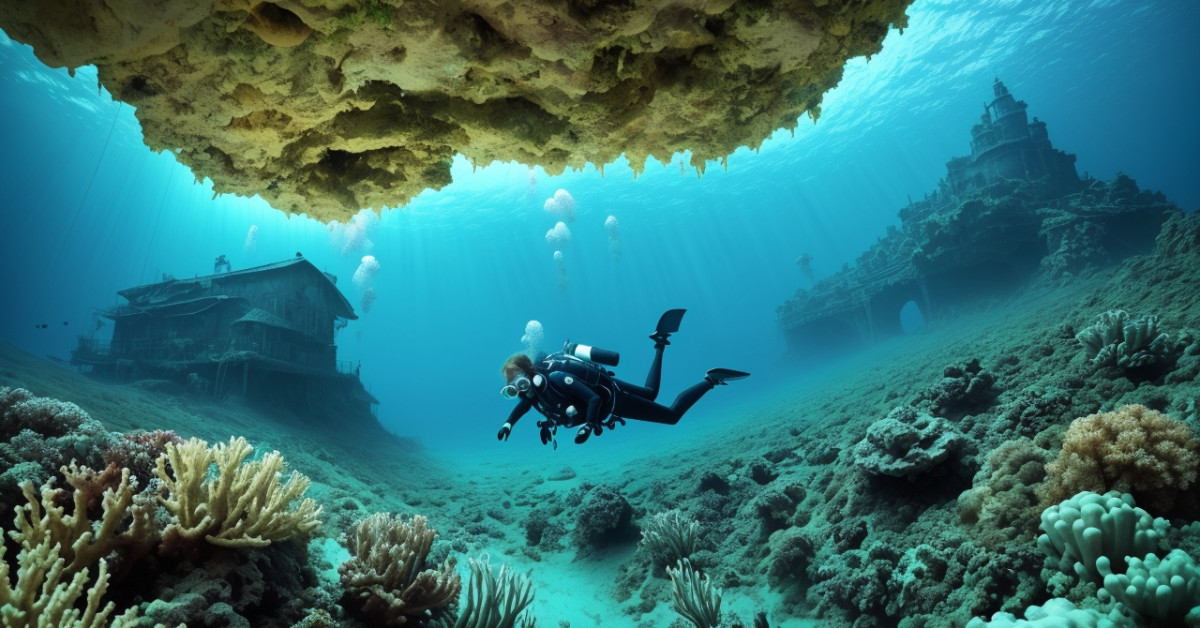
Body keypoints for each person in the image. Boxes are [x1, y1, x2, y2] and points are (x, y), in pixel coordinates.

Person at [496, 309, 749, 447]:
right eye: (512, 389)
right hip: (610, 387)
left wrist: (590, 425)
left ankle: (710, 380)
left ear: (530, 374)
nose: (519, 391)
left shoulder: (558, 379)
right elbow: (525, 405)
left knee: (671, 416)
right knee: (650, 393)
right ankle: (660, 344)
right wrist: (508, 424)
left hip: (612, 399)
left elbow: (593, 399)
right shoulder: (534, 394)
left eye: (519, 383)